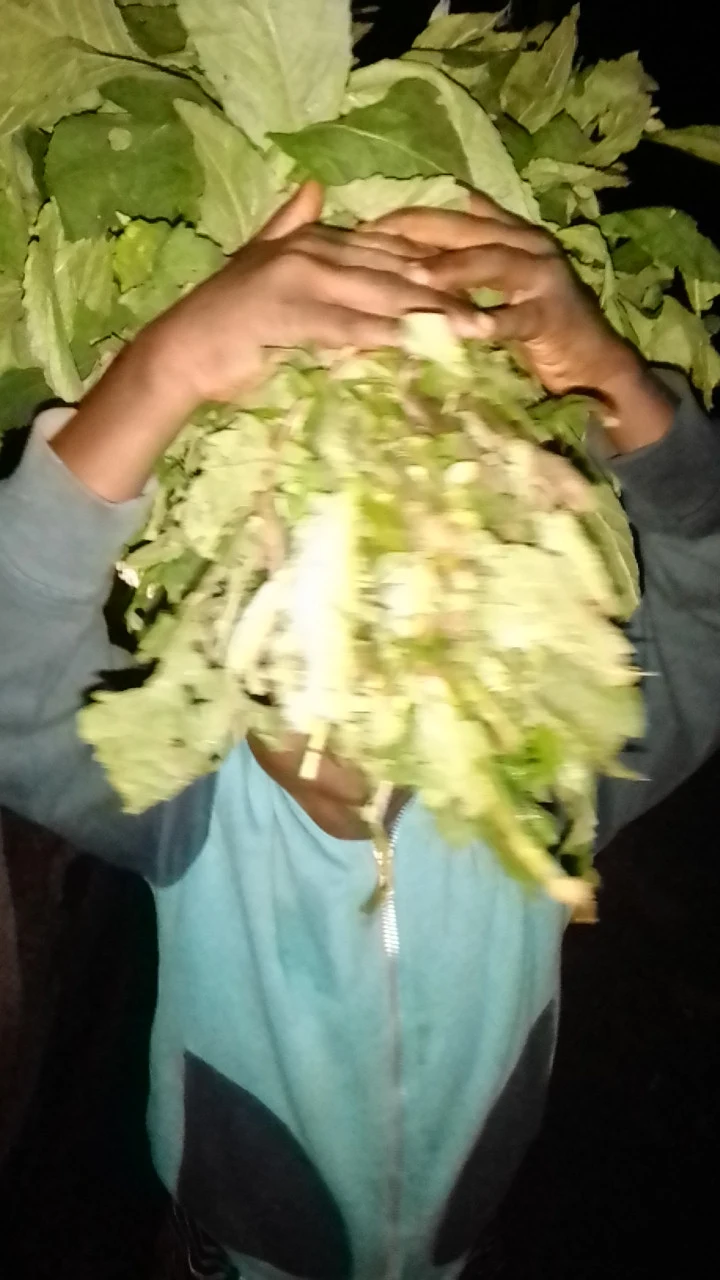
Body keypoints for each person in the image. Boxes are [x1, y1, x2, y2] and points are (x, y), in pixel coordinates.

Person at [2, 178, 720, 1280]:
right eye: (314, 602)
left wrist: (615, 378)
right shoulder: (188, 805)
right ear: (218, 615)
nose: (358, 693)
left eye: (417, 596)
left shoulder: (538, 796)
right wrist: (167, 368)